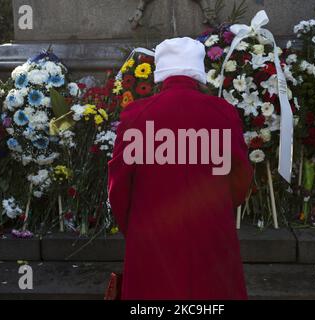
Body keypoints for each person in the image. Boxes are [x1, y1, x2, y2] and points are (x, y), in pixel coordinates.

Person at [108, 37, 253, 300]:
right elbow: (241, 176)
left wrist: (135, 227)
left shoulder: (136, 115)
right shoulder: (223, 112)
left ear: (160, 74)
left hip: (152, 233)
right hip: (211, 229)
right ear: (199, 74)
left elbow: (118, 186)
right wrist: (220, 209)